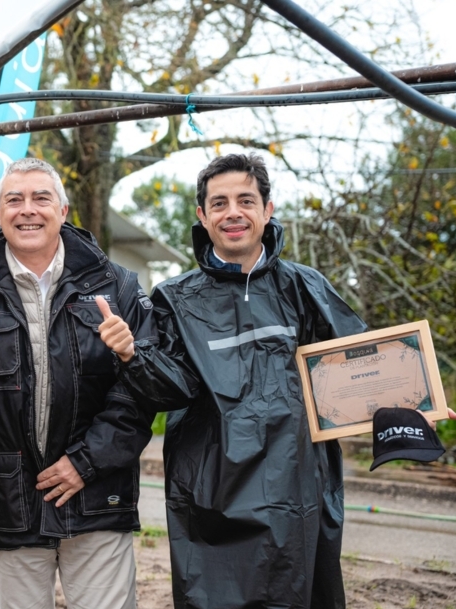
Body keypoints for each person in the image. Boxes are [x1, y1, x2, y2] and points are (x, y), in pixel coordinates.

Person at [0, 157, 188, 609]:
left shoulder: (116, 286)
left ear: (64, 209)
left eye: (41, 197)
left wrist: (86, 460)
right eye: (13, 200)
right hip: (10, 501)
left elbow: (150, 392)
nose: (27, 210)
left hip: (96, 497)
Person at [141, 153, 366, 608]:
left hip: (297, 491)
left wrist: (409, 409)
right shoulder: (173, 300)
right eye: (219, 203)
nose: (233, 213)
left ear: (268, 209)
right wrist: (130, 354)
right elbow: (165, 390)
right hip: (211, 497)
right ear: (202, 216)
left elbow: (361, 367)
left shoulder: (305, 288)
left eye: (246, 200)